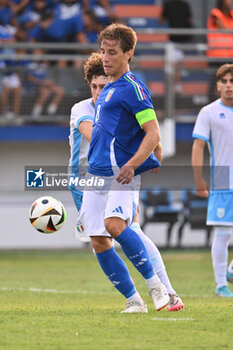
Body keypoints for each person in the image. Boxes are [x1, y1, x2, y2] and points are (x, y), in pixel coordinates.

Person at [76, 23, 183, 313]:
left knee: (115, 225)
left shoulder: (134, 88)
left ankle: (157, 288)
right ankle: (134, 302)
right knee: (98, 240)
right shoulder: (109, 88)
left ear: (129, 53)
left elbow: (152, 131)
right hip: (95, 177)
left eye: (112, 52)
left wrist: (135, 162)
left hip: (120, 175)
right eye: (103, 51)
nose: (106, 58)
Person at [192, 63, 233, 298]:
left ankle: (231, 271)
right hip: (222, 177)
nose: (229, 86)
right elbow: (198, 145)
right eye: (224, 81)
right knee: (224, 233)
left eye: (232, 81)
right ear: (218, 86)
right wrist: (199, 178)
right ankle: (221, 285)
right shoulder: (208, 112)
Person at [159, 0, 194, 94]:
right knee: (171, 64)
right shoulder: (169, 5)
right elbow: (161, 21)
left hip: (182, 41)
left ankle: (176, 87)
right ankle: (174, 88)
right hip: (174, 41)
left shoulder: (184, 5)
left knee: (175, 64)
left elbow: (189, 20)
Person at [207, 0, 233, 101]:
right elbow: (223, 28)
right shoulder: (215, 13)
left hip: (230, 54)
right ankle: (210, 100)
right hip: (217, 54)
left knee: (230, 79)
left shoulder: (231, 14)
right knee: (216, 79)